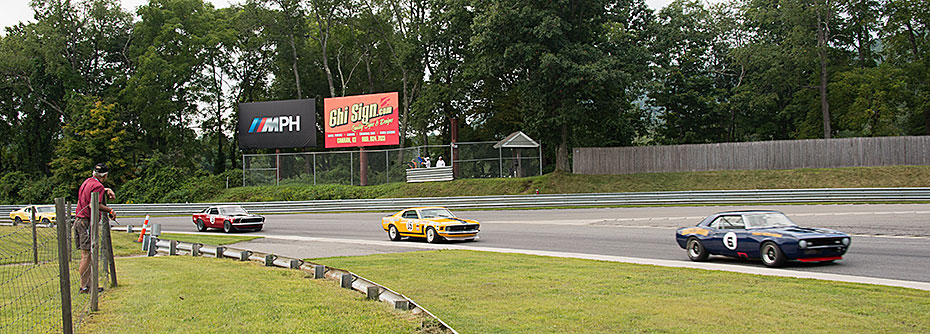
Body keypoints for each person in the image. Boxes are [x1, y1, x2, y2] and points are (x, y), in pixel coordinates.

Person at [74, 163, 116, 294]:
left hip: (79, 221)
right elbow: (93, 205)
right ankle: (84, 287)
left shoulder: (88, 182)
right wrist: (110, 210)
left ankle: (90, 285)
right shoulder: (97, 186)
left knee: (87, 255)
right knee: (86, 256)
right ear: (105, 176)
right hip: (86, 223)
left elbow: (92, 191)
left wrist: (106, 189)